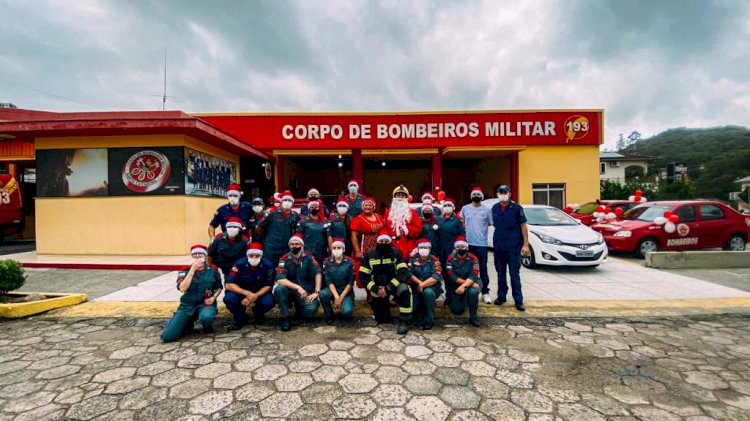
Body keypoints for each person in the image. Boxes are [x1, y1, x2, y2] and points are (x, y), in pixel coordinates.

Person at [161, 245, 222, 342]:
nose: (197, 256)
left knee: (206, 317)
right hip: (188, 306)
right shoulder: (184, 271)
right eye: (194, 254)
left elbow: (219, 287)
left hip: (205, 304)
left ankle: (207, 325)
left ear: (205, 256)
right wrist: (192, 269)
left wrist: (214, 297)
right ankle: (183, 322)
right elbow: (182, 288)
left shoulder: (213, 270)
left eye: (200, 254)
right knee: (168, 337)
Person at [359, 229, 413, 335]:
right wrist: (375, 288)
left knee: (404, 290)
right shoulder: (370, 254)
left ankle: (404, 321)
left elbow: (403, 272)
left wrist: (389, 287)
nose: (384, 243)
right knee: (382, 319)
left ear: (390, 242)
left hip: (393, 285)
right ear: (377, 242)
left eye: (386, 241)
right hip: (378, 287)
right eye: (381, 241)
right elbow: (363, 275)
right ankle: (380, 309)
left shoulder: (396, 252)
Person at [491, 185, 529, 312]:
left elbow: (523, 226)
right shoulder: (495, 208)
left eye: (505, 192)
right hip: (499, 247)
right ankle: (501, 296)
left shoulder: (517, 208)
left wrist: (525, 244)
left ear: (509, 194)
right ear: (497, 194)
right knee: (500, 273)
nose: (502, 194)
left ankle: (518, 300)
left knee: (514, 274)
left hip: (513, 247)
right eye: (500, 192)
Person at [274, 234, 323, 331]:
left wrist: (316, 292)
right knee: (279, 289)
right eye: (292, 244)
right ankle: (284, 318)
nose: (294, 246)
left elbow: (318, 272)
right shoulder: (284, 259)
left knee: (311, 310)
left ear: (302, 246)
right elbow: (279, 278)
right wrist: (298, 288)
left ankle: (299, 310)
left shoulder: (309, 257)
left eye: (297, 244)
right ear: (289, 246)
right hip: (290, 291)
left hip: (306, 291)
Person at [223, 242, 276, 330]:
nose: (254, 258)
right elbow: (228, 285)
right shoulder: (239, 264)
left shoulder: (268, 265)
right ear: (247, 255)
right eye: (251, 255)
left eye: (257, 255)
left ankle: (258, 312)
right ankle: (240, 316)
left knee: (269, 301)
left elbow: (269, 286)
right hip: (241, 292)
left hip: (259, 292)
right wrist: (247, 293)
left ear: (261, 255)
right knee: (229, 298)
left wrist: (254, 296)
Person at [460, 187, 494, 304]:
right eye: (474, 194)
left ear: (481, 196)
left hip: (482, 244)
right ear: (471, 196)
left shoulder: (486, 210)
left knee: (482, 268)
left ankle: (485, 292)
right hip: (468, 244)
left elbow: (490, 223)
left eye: (478, 194)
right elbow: (462, 222)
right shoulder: (465, 209)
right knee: (468, 268)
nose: (476, 196)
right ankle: (469, 290)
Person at [350, 197, 384, 299]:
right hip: (365, 247)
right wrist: (357, 251)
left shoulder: (379, 217)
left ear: (373, 207)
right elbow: (354, 236)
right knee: (366, 270)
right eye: (365, 205)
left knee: (378, 269)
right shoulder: (358, 219)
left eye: (369, 205)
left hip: (379, 246)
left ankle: (379, 291)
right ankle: (369, 294)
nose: (367, 207)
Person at [407, 238, 443, 330]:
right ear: (418, 249)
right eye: (421, 247)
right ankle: (415, 320)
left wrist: (422, 285)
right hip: (416, 286)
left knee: (428, 293)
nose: (424, 249)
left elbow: (436, 277)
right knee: (414, 304)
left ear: (430, 249)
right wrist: (420, 284)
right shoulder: (413, 258)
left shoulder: (435, 260)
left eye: (426, 247)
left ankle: (429, 321)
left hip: (432, 287)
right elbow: (410, 274)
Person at [445, 236, 481, 326]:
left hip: (472, 282)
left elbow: (473, 276)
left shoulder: (473, 258)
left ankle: (473, 317)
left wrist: (464, 286)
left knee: (473, 292)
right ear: (455, 248)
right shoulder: (450, 259)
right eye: (458, 247)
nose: (460, 249)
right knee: (457, 311)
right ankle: (464, 300)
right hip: (458, 284)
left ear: (467, 247)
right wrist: (466, 284)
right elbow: (452, 276)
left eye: (462, 247)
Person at [257, 190, 300, 265]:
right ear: (281, 202)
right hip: (271, 249)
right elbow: (259, 227)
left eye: (289, 200)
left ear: (292, 202)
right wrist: (265, 238)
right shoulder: (271, 213)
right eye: (285, 200)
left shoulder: (295, 215)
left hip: (286, 249)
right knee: (270, 270)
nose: (287, 202)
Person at [435, 197, 465, 304]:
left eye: (449, 206)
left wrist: (458, 248)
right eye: (445, 206)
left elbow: (461, 235)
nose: (447, 208)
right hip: (442, 251)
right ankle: (448, 296)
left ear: (453, 208)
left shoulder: (457, 220)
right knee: (445, 275)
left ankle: (456, 296)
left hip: (453, 252)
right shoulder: (438, 219)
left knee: (454, 274)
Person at [319, 238, 356, 324]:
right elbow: (329, 281)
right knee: (323, 294)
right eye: (334, 248)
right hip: (332, 290)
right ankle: (329, 314)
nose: (336, 250)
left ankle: (347, 303)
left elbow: (350, 283)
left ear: (343, 249)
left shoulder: (350, 262)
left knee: (346, 312)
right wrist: (337, 297)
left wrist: (341, 298)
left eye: (339, 248)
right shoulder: (327, 262)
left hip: (345, 291)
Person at [384, 185, 422, 260]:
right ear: (394, 197)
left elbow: (418, 229)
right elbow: (384, 228)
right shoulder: (388, 212)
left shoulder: (412, 213)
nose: (400, 197)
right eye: (398, 195)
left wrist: (406, 229)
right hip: (391, 244)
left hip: (407, 245)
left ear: (406, 198)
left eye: (402, 195)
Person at [297, 199, 329, 265]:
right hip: (308, 252)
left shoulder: (325, 221)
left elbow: (329, 236)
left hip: (322, 252)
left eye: (316, 207)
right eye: (312, 207)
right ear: (308, 209)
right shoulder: (303, 221)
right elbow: (299, 238)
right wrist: (301, 252)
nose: (314, 209)